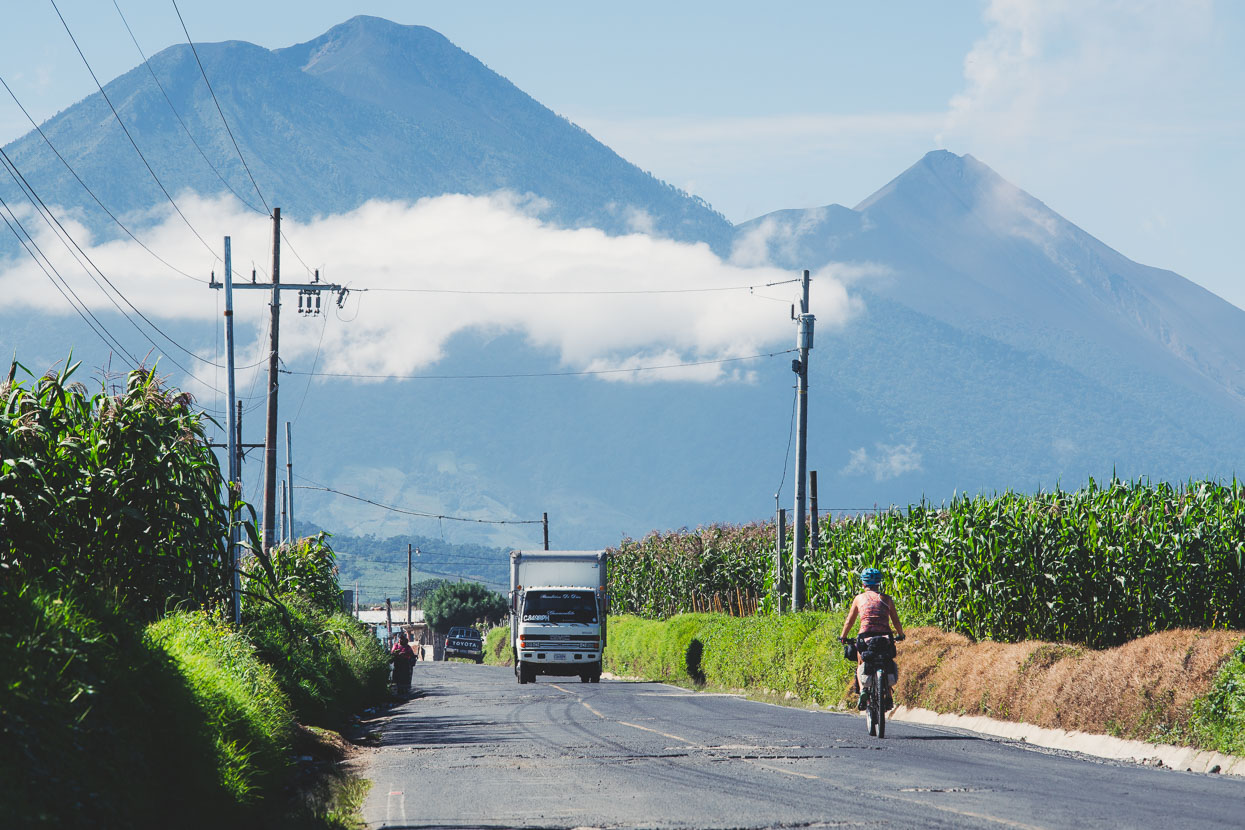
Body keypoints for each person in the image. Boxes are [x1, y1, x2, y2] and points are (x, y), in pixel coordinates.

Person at [839, 567, 905, 710]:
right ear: (879, 583)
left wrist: (843, 637)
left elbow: (849, 621)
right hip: (885, 637)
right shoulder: (887, 599)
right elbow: (895, 620)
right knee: (887, 661)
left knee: (860, 661)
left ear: (863, 584)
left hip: (865, 637)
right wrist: (901, 634)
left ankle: (863, 689)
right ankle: (888, 694)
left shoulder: (859, 599)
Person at [390, 631, 417, 695]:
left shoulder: (407, 647)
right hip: (398, 664)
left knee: (406, 678)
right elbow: (392, 654)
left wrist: (405, 654)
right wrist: (397, 654)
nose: (401, 640)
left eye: (402, 639)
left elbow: (412, 655)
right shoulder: (396, 646)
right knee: (396, 678)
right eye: (400, 639)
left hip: (405, 664)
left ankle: (405, 690)